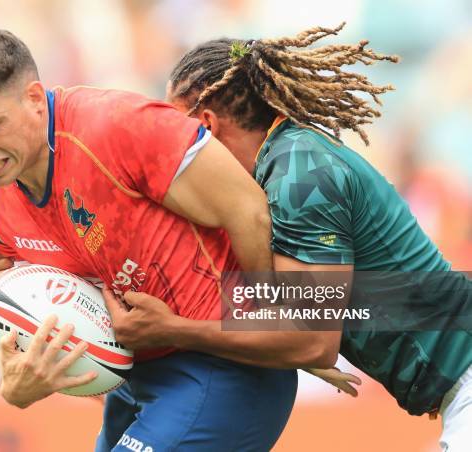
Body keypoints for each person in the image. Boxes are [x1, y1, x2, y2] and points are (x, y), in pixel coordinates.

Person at [88, 24, 470, 451]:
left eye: (172, 131)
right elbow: (260, 297)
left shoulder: (298, 172)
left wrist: (174, 329)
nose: (165, 148)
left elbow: (310, 340)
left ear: (207, 127)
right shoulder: (280, 167)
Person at [0, 25, 298, 451]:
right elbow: (81, 291)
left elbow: (249, 211)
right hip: (135, 380)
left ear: (33, 99)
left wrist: (275, 327)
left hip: (225, 368)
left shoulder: (115, 127)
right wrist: (18, 378)